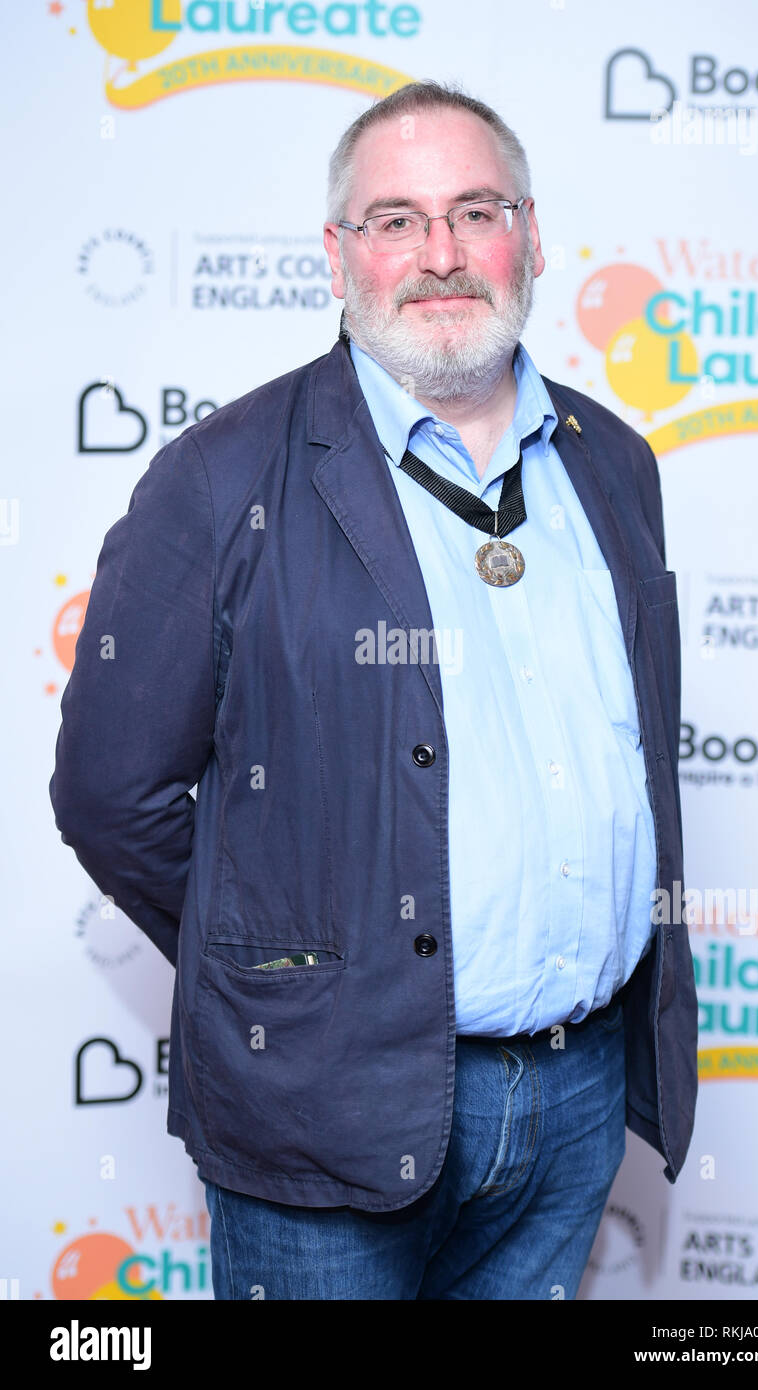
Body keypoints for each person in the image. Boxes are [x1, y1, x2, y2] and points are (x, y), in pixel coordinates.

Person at [49, 79, 698, 1301]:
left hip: (577, 1098)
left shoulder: (615, 461)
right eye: (396, 220)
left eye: (476, 211)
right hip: (325, 1106)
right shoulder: (219, 478)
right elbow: (109, 796)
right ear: (338, 254)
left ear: (532, 237)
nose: (440, 253)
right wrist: (305, 982)